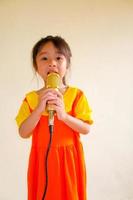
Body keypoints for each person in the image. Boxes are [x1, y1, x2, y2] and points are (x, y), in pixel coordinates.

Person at [15, 35, 93, 200]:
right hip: (42, 160)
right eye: (44, 58)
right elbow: (23, 132)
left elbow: (86, 128)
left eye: (58, 58)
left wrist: (64, 116)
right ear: (36, 66)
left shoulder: (76, 95)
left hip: (69, 159)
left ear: (67, 64)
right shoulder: (31, 99)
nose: (52, 63)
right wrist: (38, 109)